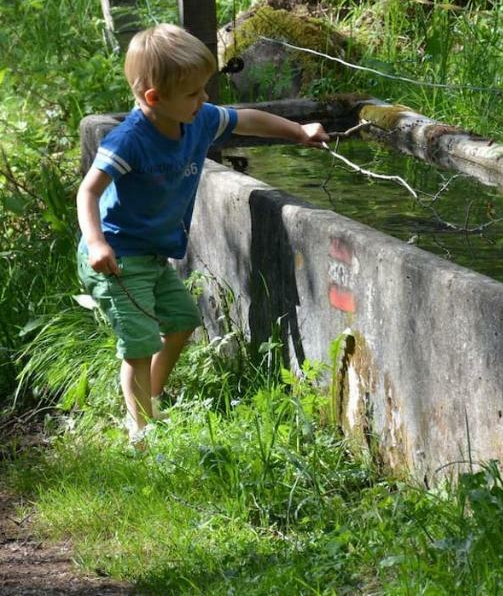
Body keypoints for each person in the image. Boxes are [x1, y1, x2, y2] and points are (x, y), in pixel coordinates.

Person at [76, 24, 328, 446]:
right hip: (117, 256)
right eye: (193, 93)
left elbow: (246, 119)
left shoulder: (197, 120)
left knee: (182, 323)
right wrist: (97, 242)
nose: (205, 100)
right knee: (138, 343)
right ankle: (141, 430)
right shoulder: (129, 141)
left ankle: (151, 395)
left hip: (152, 255)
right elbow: (89, 190)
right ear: (154, 99)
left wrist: (298, 132)